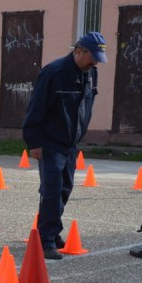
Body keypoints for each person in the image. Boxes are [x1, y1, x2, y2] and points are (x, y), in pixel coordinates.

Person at [23, 31, 107, 260]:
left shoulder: (90, 74)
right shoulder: (53, 73)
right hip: (49, 142)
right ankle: (45, 242)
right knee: (52, 190)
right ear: (78, 51)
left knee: (64, 189)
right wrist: (34, 142)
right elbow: (35, 109)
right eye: (92, 57)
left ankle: (51, 230)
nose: (95, 63)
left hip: (70, 144)